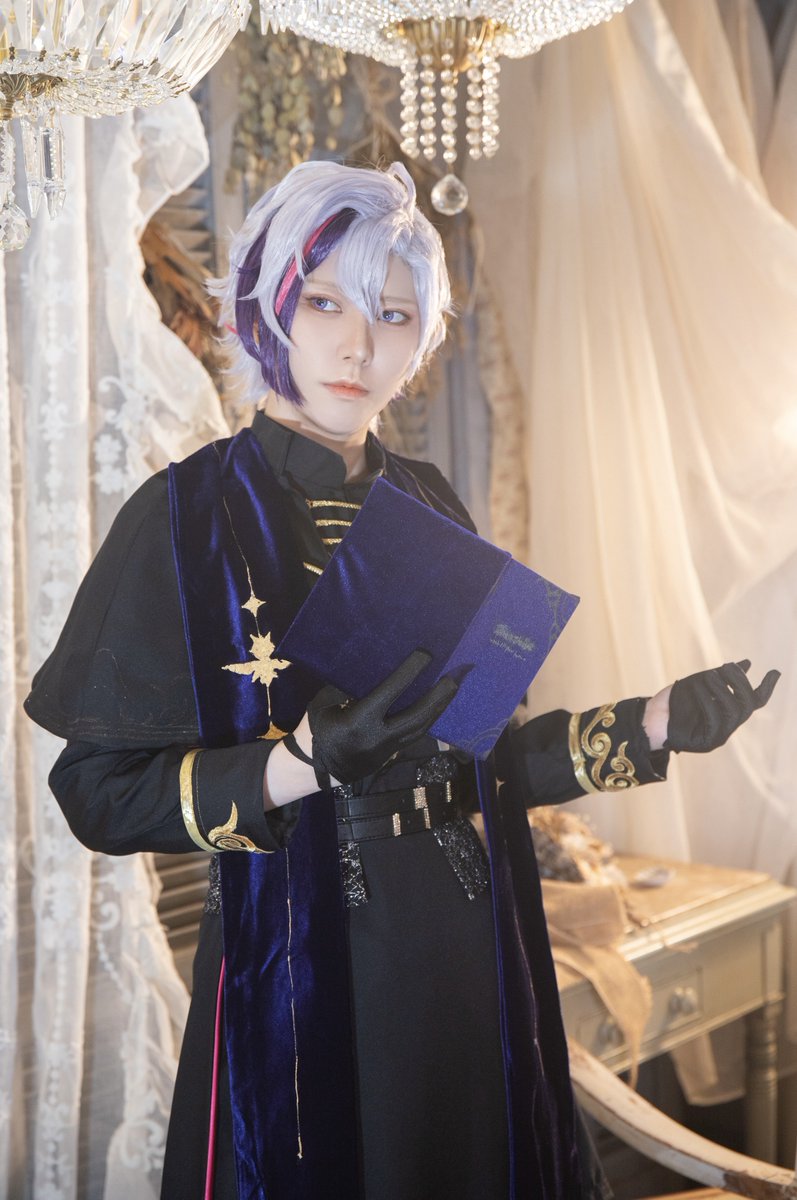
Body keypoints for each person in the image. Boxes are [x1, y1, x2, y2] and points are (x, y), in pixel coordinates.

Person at [25, 160, 779, 1200]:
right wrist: (299, 763)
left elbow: (485, 754)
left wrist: (647, 726)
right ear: (266, 306)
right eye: (323, 302)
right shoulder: (182, 516)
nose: (357, 344)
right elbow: (96, 797)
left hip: (468, 947)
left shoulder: (428, 499)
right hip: (303, 968)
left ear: (421, 338)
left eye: (392, 313)